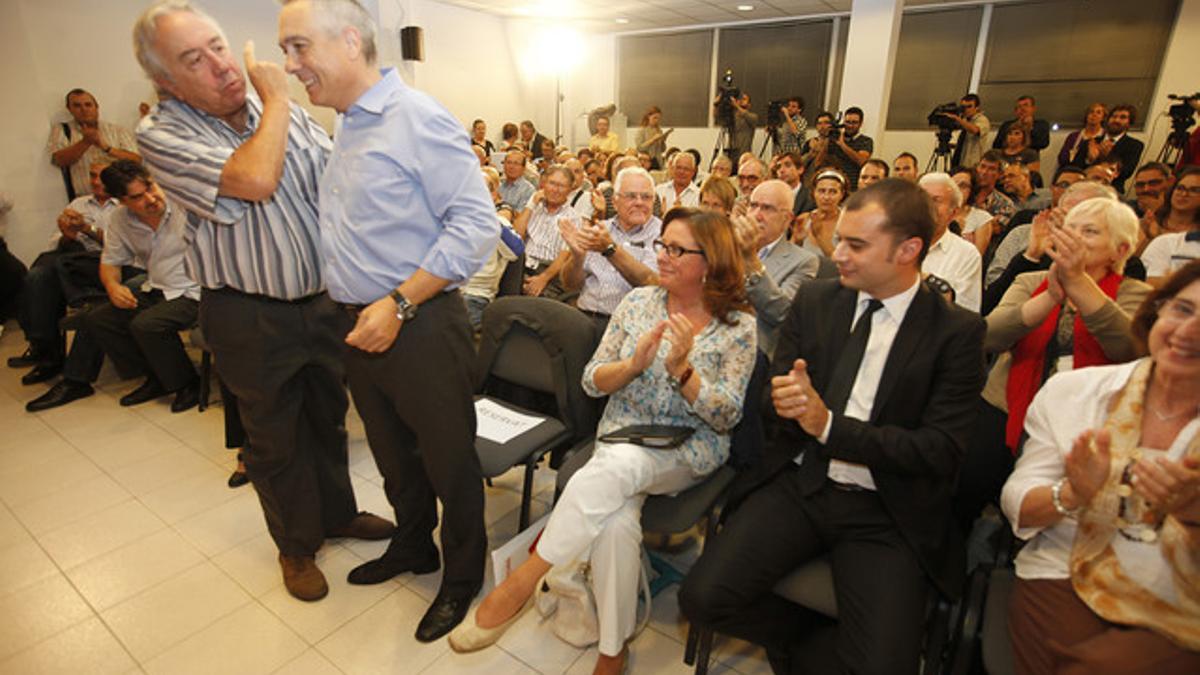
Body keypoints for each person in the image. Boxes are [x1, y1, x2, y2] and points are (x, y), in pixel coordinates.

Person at [133, 0, 393, 603]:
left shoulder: (274, 109)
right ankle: (296, 546)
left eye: (219, 47)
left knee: (327, 421)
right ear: (165, 81)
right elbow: (254, 179)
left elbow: (332, 179)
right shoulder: (165, 134)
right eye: (193, 60)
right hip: (248, 312)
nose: (221, 66)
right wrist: (277, 102)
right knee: (274, 439)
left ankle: (337, 513)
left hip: (320, 301)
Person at [680, 178, 986, 675]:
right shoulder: (818, 301)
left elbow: (939, 451)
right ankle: (804, 644)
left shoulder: (956, 334)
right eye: (839, 238)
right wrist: (780, 399)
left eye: (856, 245)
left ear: (909, 249)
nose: (836, 253)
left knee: (887, 666)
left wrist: (829, 426)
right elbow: (777, 389)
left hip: (885, 509)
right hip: (804, 483)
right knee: (701, 598)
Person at [449, 207, 757, 675]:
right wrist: (633, 365)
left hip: (686, 449)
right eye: (663, 245)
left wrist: (684, 373)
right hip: (622, 435)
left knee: (618, 470)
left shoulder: (738, 328)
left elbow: (727, 414)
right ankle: (613, 649)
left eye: (677, 249)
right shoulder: (638, 304)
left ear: (711, 260)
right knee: (616, 523)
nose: (664, 256)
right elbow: (593, 381)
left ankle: (520, 583)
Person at [277, 0, 499, 639]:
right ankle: (412, 544)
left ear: (349, 42)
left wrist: (400, 303)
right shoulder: (346, 123)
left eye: (298, 48)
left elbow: (477, 225)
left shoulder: (416, 118)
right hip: (358, 325)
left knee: (447, 459)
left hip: (420, 323)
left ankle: (462, 577)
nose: (291, 67)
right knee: (392, 456)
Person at [1000, 261, 1200, 674]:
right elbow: (1017, 500)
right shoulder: (1075, 393)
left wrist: (1191, 515)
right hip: (1063, 569)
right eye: (1183, 309)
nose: (1188, 331)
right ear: (1157, 312)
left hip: (1182, 596)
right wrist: (1073, 495)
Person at [956, 198, 1150, 531]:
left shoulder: (1136, 294)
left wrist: (1080, 286)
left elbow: (1127, 346)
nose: (1073, 238)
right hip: (1005, 406)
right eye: (1069, 229)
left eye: (1089, 232)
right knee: (966, 488)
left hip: (1090, 421)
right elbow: (989, 336)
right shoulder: (1030, 282)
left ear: (1120, 250)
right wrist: (1051, 297)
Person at [10, 162, 118, 384]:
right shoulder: (79, 203)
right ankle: (45, 348)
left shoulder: (125, 205)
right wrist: (68, 234)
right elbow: (54, 244)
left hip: (108, 262)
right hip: (72, 258)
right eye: (92, 176)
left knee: (53, 275)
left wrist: (87, 229)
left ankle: (47, 353)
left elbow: (126, 247)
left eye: (102, 176)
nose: (96, 182)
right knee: (37, 277)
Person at [561, 167, 662, 333]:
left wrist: (610, 249)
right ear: (615, 202)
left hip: (629, 328)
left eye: (646, 197)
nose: (639, 202)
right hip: (584, 317)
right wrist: (577, 257)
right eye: (631, 196)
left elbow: (650, 282)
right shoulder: (600, 230)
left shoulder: (662, 234)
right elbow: (570, 285)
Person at [734, 180, 818, 356]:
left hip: (757, 351)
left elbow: (783, 313)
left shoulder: (803, 261)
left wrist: (751, 260)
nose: (757, 215)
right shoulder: (729, 248)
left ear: (787, 219)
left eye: (767, 208)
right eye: (753, 206)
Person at [47, 88, 141, 199]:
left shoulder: (117, 130)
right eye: (77, 106)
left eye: (88, 105)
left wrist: (106, 148)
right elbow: (58, 160)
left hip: (120, 197)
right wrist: (85, 142)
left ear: (96, 106)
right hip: (85, 200)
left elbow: (136, 160)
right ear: (69, 109)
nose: (84, 109)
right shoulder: (62, 130)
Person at [514, 165, 580, 300]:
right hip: (522, 265)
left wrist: (542, 279)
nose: (555, 190)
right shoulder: (534, 208)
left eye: (561, 186)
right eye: (552, 183)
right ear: (544, 184)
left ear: (570, 189)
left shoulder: (573, 218)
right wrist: (531, 204)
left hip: (550, 272)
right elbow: (516, 236)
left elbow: (564, 257)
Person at [919, 172, 983, 311]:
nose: (927, 206)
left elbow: (966, 314)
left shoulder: (966, 255)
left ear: (953, 213)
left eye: (936, 200)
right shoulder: (893, 243)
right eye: (922, 198)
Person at [1141, 167, 1200, 286]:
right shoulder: (1148, 223)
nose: (1184, 194)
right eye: (1180, 188)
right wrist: (1148, 238)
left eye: (1194, 190)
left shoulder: (1196, 237)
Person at [791, 168, 847, 258]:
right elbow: (789, 259)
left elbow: (845, 264)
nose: (826, 197)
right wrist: (797, 241)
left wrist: (820, 237)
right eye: (821, 191)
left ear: (842, 194)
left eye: (833, 192)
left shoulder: (848, 221)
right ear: (814, 193)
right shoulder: (804, 219)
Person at [1093, 104, 1145, 194]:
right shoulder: (1092, 142)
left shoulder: (1134, 145)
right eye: (1114, 116)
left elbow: (1127, 172)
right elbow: (1078, 166)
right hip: (1087, 187)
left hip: (1113, 191)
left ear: (1129, 122)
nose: (1116, 120)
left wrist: (1108, 156)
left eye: (1123, 117)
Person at [951, 166, 997, 256]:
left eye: (963, 186)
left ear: (972, 190)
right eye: (952, 185)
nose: (957, 190)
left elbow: (976, 257)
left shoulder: (982, 218)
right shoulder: (936, 214)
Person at [827, 107, 873, 189]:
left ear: (861, 124)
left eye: (854, 122)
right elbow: (819, 162)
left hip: (854, 186)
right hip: (836, 185)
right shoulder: (835, 138)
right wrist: (826, 138)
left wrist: (842, 144)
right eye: (847, 122)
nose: (850, 125)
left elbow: (862, 161)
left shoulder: (866, 141)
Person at [1057, 102, 1108, 169]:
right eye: (1091, 112)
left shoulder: (1106, 136)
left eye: (1098, 112)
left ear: (1103, 118)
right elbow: (1062, 159)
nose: (1094, 115)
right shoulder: (1073, 137)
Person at [973, 151, 1017, 227]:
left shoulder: (1005, 204)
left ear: (1000, 174)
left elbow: (996, 229)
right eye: (982, 166)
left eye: (991, 169)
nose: (984, 172)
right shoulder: (964, 194)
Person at [948, 93, 990, 169]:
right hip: (960, 161)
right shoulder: (965, 120)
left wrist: (957, 119)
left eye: (969, 106)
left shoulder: (982, 120)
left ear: (977, 107)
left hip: (972, 165)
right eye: (963, 107)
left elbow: (975, 130)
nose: (966, 110)